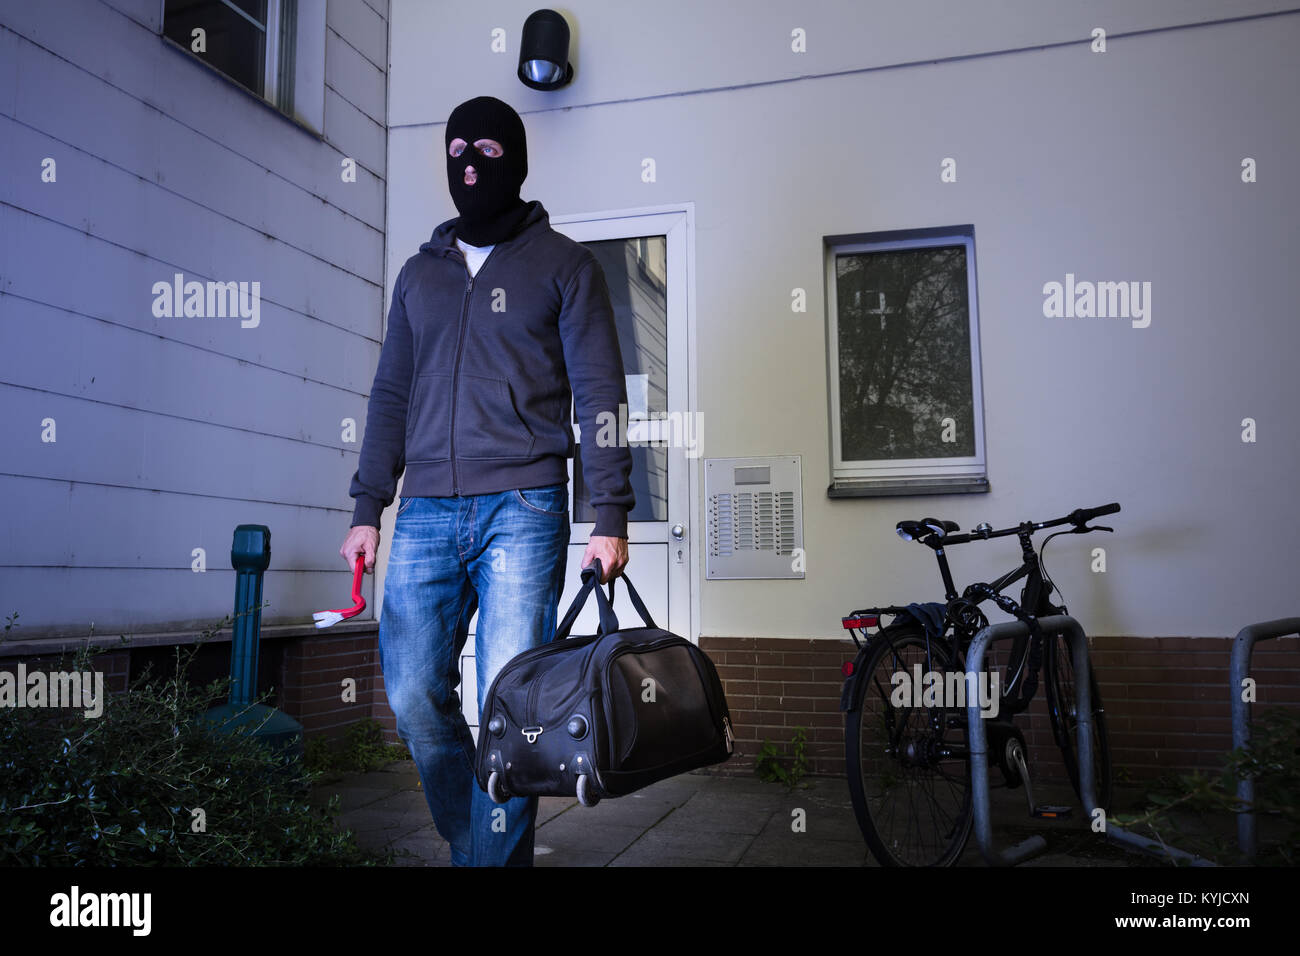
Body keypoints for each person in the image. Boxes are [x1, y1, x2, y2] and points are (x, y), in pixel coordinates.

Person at [339, 95, 634, 866]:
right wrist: (368, 505)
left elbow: (601, 394)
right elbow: (390, 396)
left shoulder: (564, 265)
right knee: (410, 697)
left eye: (488, 151)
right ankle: (478, 844)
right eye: (457, 150)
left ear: (518, 162)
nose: (470, 164)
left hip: (524, 506)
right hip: (427, 507)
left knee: (513, 710)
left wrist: (610, 512)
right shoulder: (418, 275)